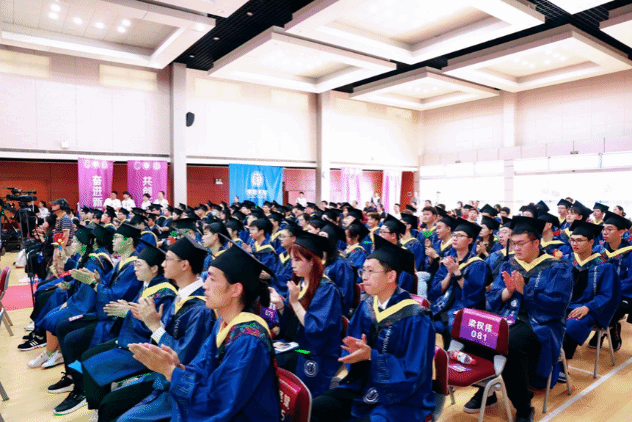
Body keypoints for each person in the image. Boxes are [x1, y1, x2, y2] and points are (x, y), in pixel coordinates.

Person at [119, 240, 279, 422]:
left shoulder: (248, 339)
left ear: (235, 290)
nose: (204, 285)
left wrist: (171, 372)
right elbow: (202, 367)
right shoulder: (223, 324)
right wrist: (178, 367)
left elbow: (219, 404)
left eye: (212, 279)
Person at [310, 237, 435, 422]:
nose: (363, 277)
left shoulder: (416, 318)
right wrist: (355, 355)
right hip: (363, 385)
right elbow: (352, 346)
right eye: (363, 270)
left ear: (391, 276)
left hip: (401, 399)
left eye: (370, 271)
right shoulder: (367, 306)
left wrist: (371, 356)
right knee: (315, 408)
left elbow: (414, 373)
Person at [465, 217, 573, 422]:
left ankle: (524, 406)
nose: (516, 248)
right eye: (513, 243)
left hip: (540, 322)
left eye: (521, 243)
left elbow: (558, 305)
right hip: (507, 316)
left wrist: (525, 291)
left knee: (510, 343)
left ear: (536, 243)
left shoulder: (557, 268)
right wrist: (508, 291)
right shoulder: (510, 264)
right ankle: (487, 391)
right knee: (475, 334)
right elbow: (493, 296)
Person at [269, 231, 343, 397]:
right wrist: (280, 304)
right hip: (295, 344)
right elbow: (290, 323)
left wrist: (295, 303)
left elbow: (316, 329)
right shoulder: (301, 283)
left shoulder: (327, 290)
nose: (292, 265)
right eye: (292, 259)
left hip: (312, 353)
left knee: (274, 361)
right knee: (264, 351)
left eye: (297, 260)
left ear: (312, 261)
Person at [561, 221, 620, 368]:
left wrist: (588, 307)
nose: (574, 244)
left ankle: (563, 366)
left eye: (579, 240)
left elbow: (607, 294)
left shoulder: (604, 266)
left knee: (572, 325)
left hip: (589, 308)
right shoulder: (566, 261)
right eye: (572, 240)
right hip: (564, 305)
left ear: (591, 242)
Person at [429, 218, 491, 347]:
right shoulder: (448, 260)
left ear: (470, 240)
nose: (455, 238)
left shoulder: (478, 265)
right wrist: (449, 273)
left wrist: (457, 273)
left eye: (460, 236)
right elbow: (434, 291)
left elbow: (474, 296)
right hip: (442, 307)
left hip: (462, 310)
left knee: (453, 325)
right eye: (454, 235)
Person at [588, 211, 632, 350]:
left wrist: (611, 288)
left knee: (612, 305)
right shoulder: (598, 250)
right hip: (601, 292)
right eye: (603, 229)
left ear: (621, 232)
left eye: (610, 229)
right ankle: (611, 327)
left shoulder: (630, 252)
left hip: (624, 294)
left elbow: (631, 280)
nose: (605, 232)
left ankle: (602, 330)